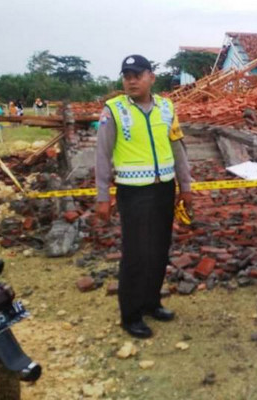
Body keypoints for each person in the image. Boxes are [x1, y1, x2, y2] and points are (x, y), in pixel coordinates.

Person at [95, 54, 192, 339]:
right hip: (133, 192)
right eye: (127, 76)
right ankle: (131, 314)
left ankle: (152, 303)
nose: (131, 80)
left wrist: (185, 187)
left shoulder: (166, 107)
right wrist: (103, 196)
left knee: (159, 249)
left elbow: (178, 148)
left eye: (137, 74)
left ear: (151, 77)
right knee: (136, 254)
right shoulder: (113, 110)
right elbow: (102, 155)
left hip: (164, 189)